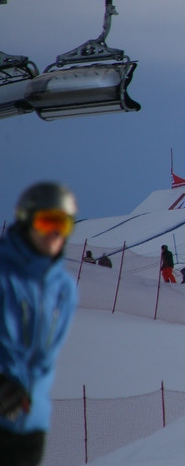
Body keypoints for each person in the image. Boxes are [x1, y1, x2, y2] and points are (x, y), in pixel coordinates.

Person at [0, 182, 79, 466]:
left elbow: (44, 358)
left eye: (63, 225)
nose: (55, 233)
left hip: (29, 428)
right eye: (47, 222)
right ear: (27, 220)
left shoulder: (63, 290)